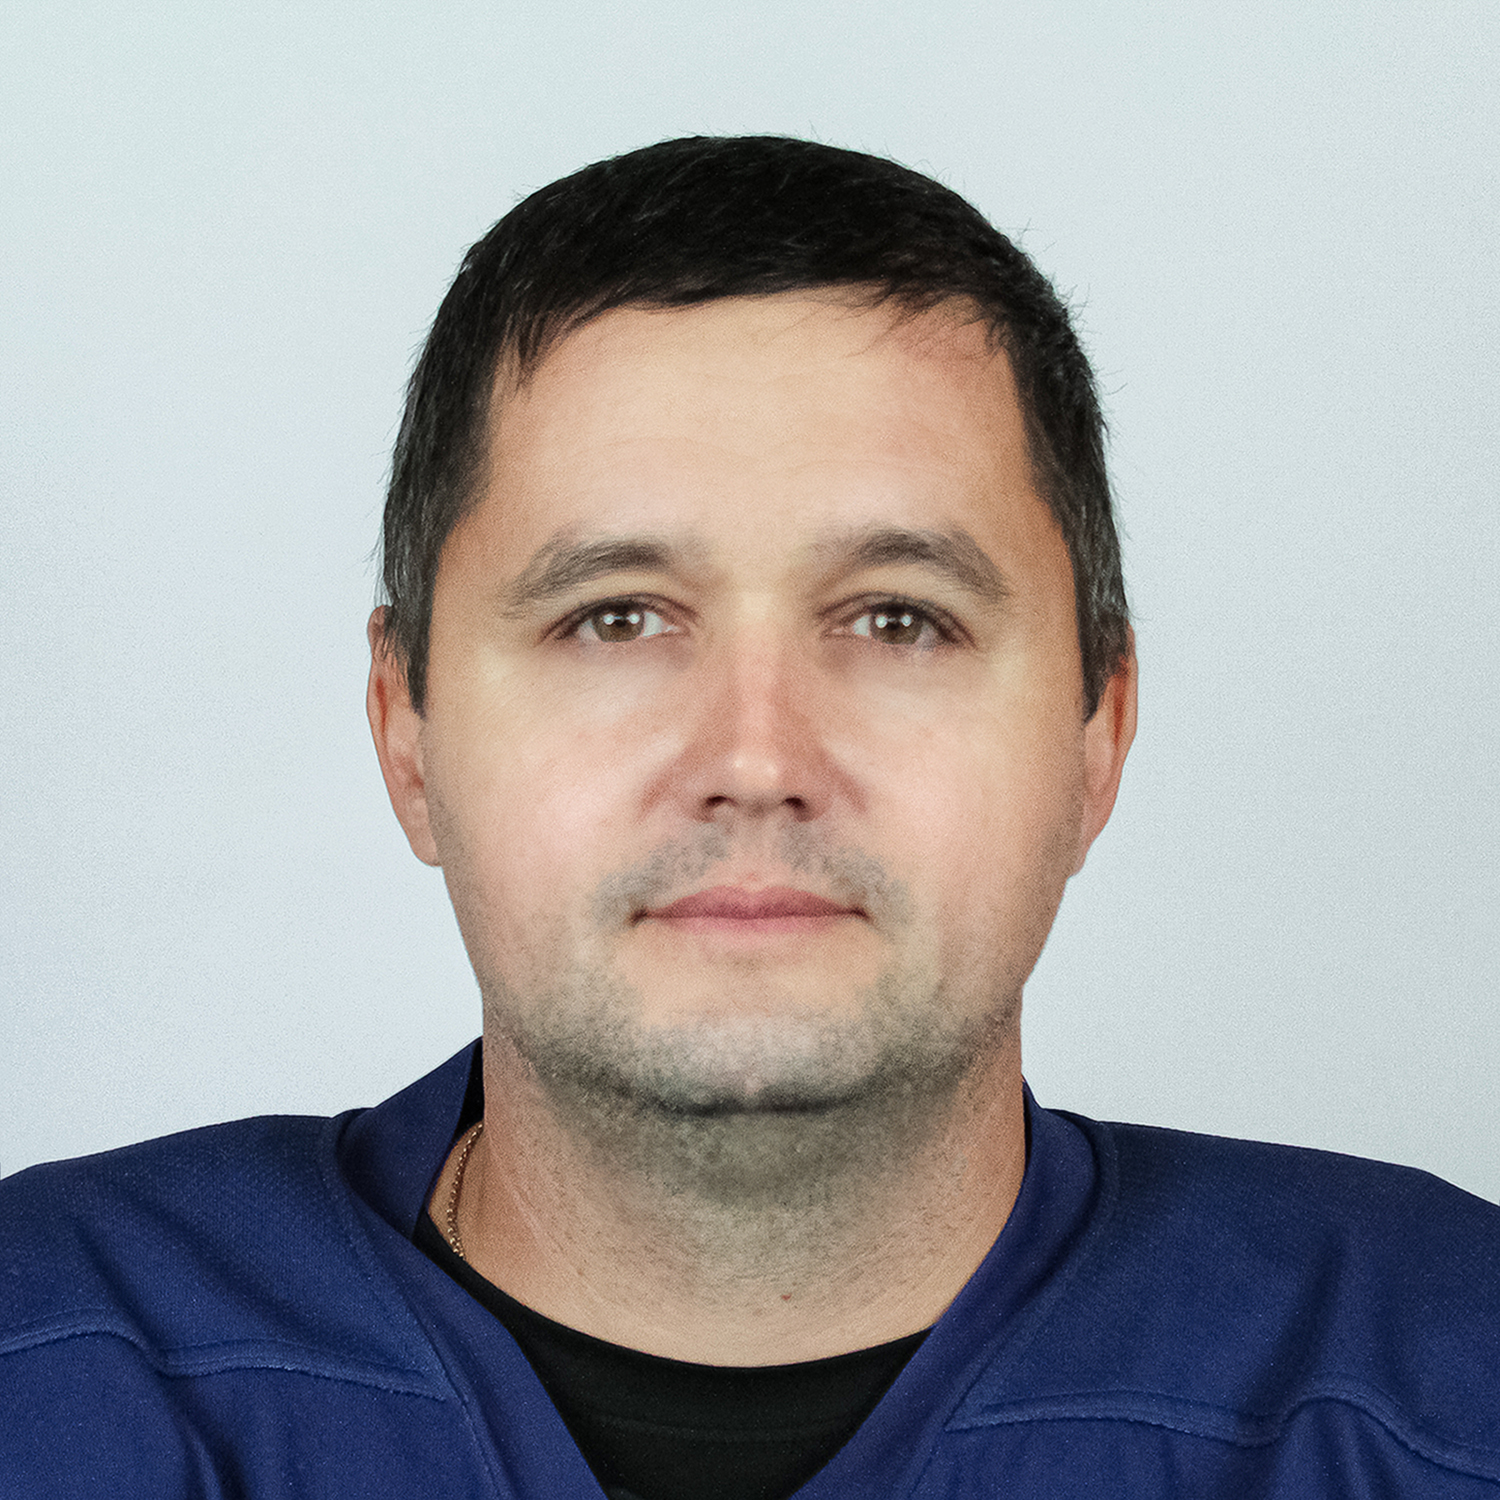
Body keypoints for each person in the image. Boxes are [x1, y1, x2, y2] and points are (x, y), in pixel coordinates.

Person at [2, 135, 1496, 1500]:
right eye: (616, 617)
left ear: (1098, 730)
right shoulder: (52, 1374)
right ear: (408, 732)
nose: (758, 756)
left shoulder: (1442, 1385)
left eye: (899, 619)